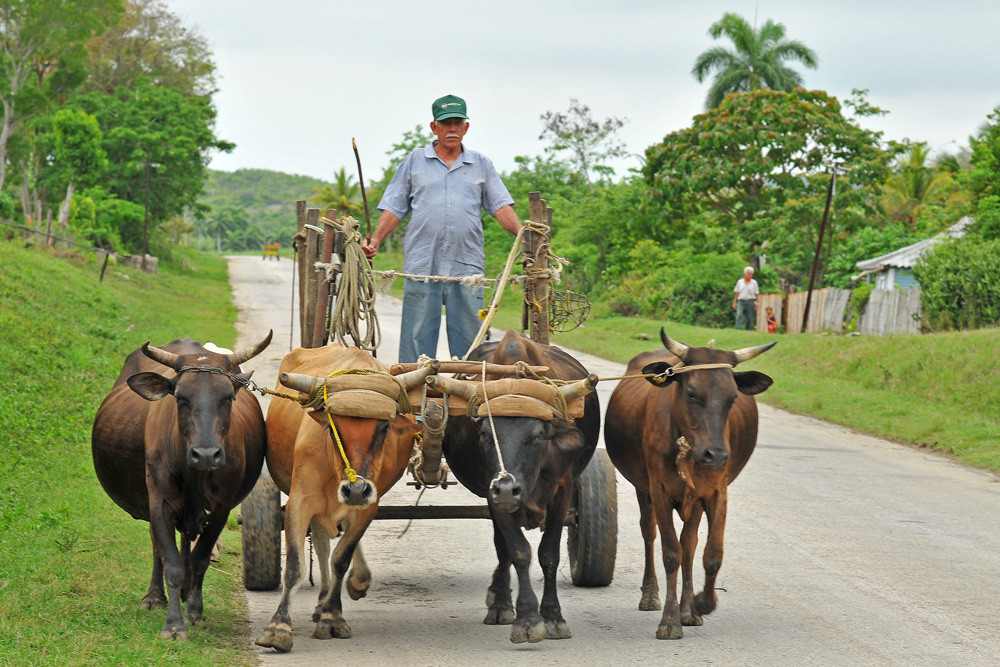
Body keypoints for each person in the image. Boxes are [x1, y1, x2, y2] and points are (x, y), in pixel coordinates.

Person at [361, 94, 523, 363]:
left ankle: (469, 393)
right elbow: (394, 208)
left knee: (472, 345)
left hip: (467, 270)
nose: (452, 128)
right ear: (434, 127)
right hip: (422, 266)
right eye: (446, 123)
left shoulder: (481, 164)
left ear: (466, 127)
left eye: (457, 122)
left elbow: (501, 208)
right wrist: (375, 240)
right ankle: (414, 397)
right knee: (416, 341)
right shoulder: (415, 161)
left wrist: (525, 234)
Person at [732, 266, 759, 330]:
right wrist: (734, 302)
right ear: (745, 274)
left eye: (751, 274)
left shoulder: (754, 283)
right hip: (741, 301)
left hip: (750, 301)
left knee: (749, 317)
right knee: (739, 315)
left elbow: (756, 294)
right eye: (749, 274)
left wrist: (757, 303)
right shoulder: (740, 282)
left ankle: (748, 329)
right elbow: (736, 292)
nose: (750, 275)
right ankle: (738, 328)